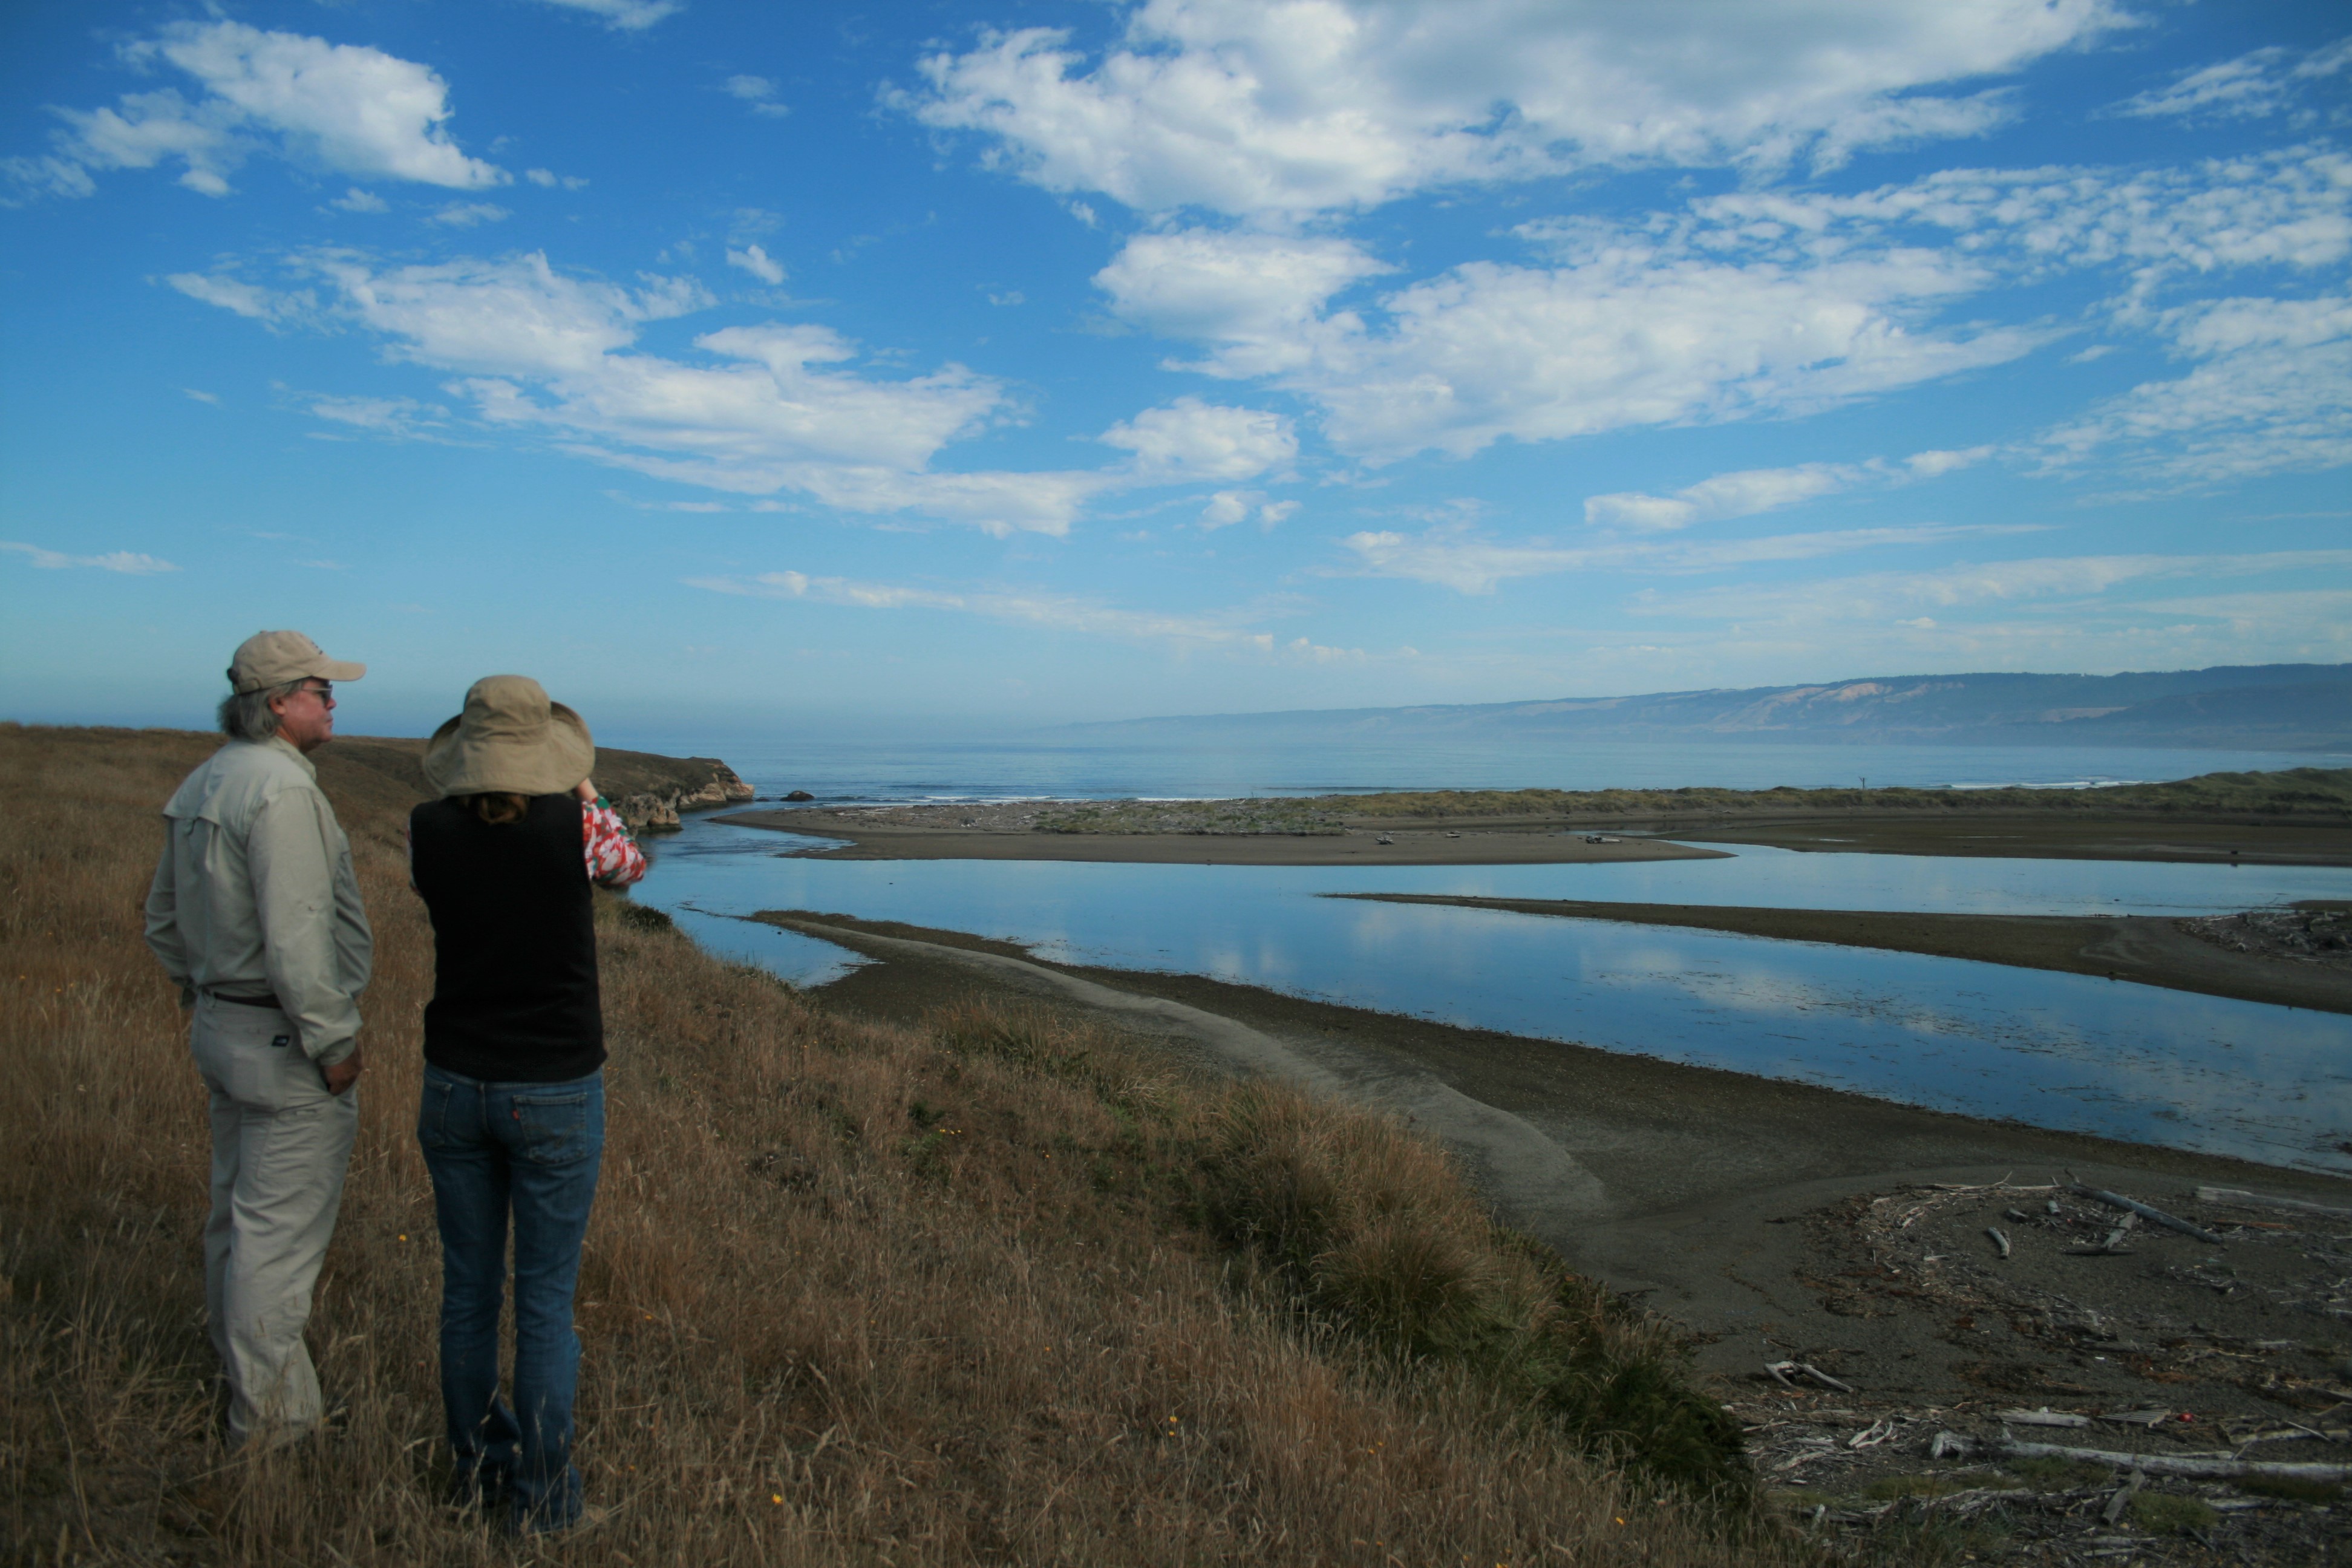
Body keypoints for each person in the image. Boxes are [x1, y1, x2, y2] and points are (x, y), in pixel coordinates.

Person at [406, 675, 645, 1534]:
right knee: (543, 1302)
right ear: (548, 750)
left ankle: (477, 1475)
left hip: (453, 1082)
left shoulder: (429, 829)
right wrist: (584, 787)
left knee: (467, 1294)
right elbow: (628, 868)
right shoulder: (573, 822)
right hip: (552, 1084)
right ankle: (545, 1503)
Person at [145, 630, 373, 1449]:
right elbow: (299, 935)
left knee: (235, 1221)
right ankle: (272, 1427)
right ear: (278, 703)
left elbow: (163, 919)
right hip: (283, 1042)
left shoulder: (207, 779)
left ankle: (242, 1380)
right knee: (274, 1241)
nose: (334, 701)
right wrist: (333, 1040)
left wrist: (203, 993)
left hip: (224, 1025)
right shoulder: (282, 792)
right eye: (320, 688)